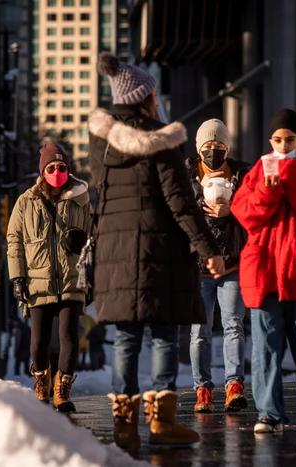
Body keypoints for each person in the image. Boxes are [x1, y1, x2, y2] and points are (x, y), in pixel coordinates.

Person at [89, 52, 224, 448]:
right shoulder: (162, 143)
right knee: (164, 334)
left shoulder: (101, 148)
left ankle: (124, 426)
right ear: (146, 99)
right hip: (160, 252)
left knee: (127, 337)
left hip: (115, 252)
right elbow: (180, 202)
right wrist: (208, 248)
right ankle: (162, 422)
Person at [231, 108, 296, 434]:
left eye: (289, 139)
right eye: (277, 139)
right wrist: (269, 189)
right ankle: (269, 413)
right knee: (265, 349)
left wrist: (290, 176)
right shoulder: (257, 172)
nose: (282, 144)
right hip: (264, 274)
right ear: (270, 140)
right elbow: (245, 214)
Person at [6, 143, 92, 413]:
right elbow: (14, 241)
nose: (57, 172)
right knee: (38, 342)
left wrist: (83, 242)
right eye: (51, 168)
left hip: (71, 279)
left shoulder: (81, 199)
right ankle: (42, 381)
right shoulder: (25, 201)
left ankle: (62, 390)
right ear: (42, 171)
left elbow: (93, 239)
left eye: (62, 167)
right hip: (38, 281)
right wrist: (18, 278)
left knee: (69, 336)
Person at [186, 118, 250, 413]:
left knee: (233, 325)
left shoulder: (243, 177)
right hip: (198, 268)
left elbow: (253, 219)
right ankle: (202, 388)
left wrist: (231, 209)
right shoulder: (186, 179)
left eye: (219, 145)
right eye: (208, 146)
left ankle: (234, 384)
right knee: (199, 330)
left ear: (227, 147)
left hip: (233, 266)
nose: (214, 151)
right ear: (199, 149)